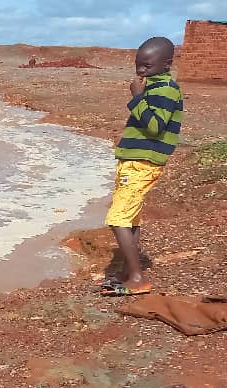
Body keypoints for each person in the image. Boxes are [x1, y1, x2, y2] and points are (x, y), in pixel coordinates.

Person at [101, 37, 184, 296]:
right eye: (138, 64)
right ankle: (128, 271)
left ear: (166, 64)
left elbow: (154, 126)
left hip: (141, 164)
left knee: (118, 219)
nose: (140, 70)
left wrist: (137, 97)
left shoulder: (166, 89)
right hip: (133, 162)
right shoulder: (154, 85)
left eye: (147, 65)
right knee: (131, 218)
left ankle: (138, 278)